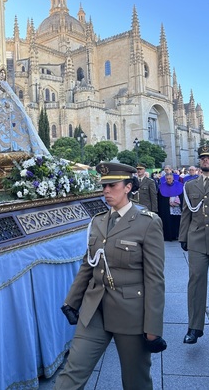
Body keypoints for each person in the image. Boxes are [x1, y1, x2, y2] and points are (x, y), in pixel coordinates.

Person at [54, 162, 166, 390]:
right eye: (103, 185)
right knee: (71, 375)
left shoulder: (147, 222)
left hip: (131, 314)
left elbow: (155, 279)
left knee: (136, 381)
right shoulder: (98, 221)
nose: (105, 191)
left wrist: (153, 327)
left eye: (112, 185)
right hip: (95, 310)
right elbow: (89, 264)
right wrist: (72, 301)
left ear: (127, 187)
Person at [179, 145, 209, 344]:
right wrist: (183, 237)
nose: (205, 161)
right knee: (195, 282)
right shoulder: (190, 186)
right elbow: (186, 213)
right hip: (197, 239)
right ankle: (194, 326)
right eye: (202, 158)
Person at [0, 76, 50, 156]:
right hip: (0, 127)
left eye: (2, 87)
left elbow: (14, 112)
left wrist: (7, 107)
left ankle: (14, 146)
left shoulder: (11, 100)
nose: (0, 89)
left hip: (11, 127)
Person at [158, 173, 183, 241]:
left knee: (177, 221)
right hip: (167, 208)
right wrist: (167, 202)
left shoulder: (179, 185)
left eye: (170, 179)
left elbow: (182, 196)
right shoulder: (162, 186)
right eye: (167, 179)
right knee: (168, 222)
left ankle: (177, 235)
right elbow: (161, 199)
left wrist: (177, 202)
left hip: (177, 208)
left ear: (173, 178)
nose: (168, 180)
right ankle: (169, 236)